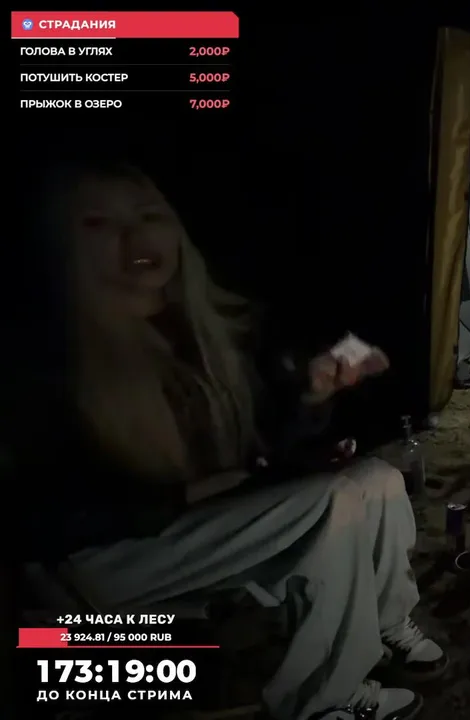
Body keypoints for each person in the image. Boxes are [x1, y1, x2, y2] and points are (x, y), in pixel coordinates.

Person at [22, 161, 444, 720]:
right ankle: (324, 700)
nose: (136, 236)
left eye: (149, 215)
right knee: (333, 504)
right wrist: (195, 493)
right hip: (110, 557)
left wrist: (312, 399)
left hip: (209, 519)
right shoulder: (50, 362)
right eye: (99, 222)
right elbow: (46, 518)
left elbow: (260, 449)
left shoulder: (206, 333)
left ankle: (386, 621)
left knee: (378, 479)